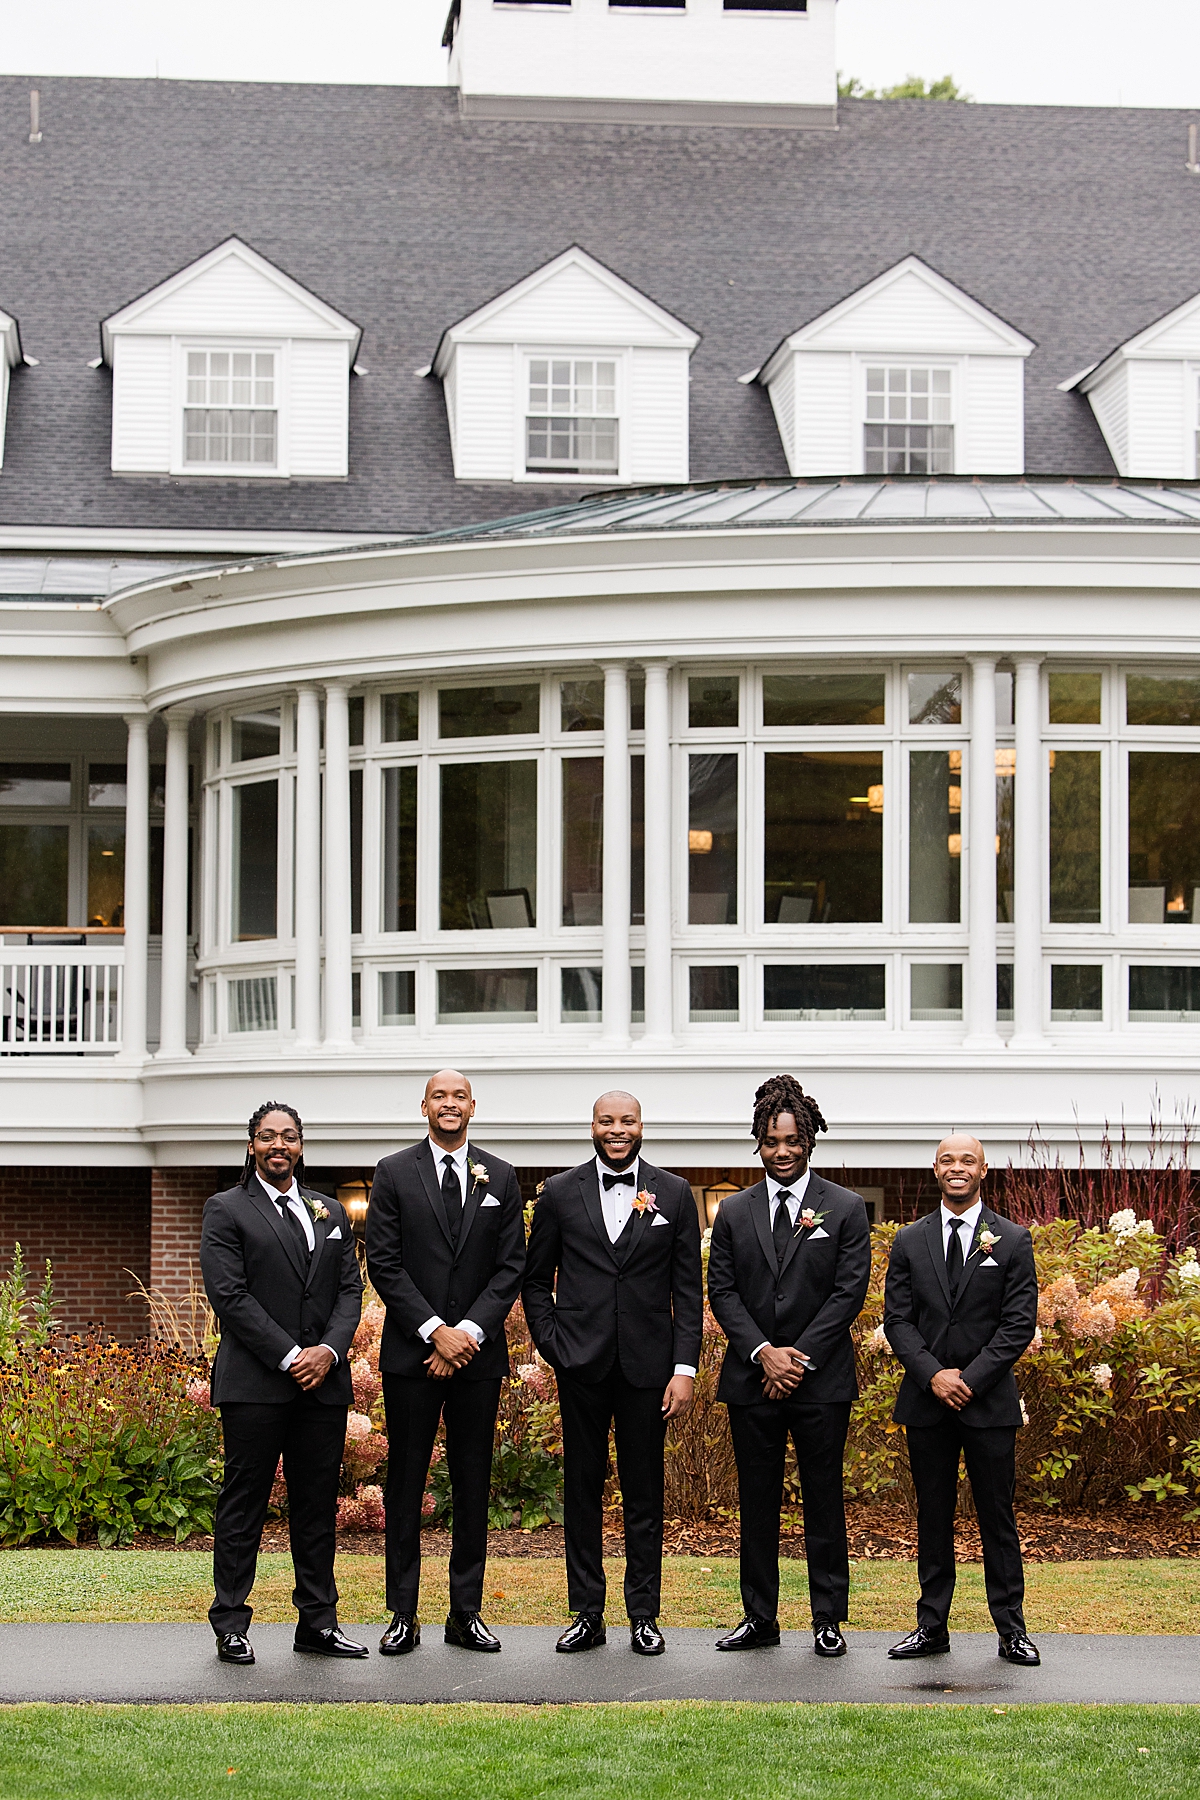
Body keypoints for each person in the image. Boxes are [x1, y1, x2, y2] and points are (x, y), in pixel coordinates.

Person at [522, 1090, 703, 1656]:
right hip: (581, 1365)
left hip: (650, 1370)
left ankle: (644, 1615)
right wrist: (554, 1345)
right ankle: (587, 1612)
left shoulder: (674, 1192)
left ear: (641, 1126)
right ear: (592, 1127)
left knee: (644, 1493)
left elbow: (687, 1291)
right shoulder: (558, 1192)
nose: (617, 1129)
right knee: (582, 1490)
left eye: (627, 1121)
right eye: (607, 1121)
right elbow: (535, 1281)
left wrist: (684, 1368)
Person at [707, 1074, 871, 1657]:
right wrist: (763, 1353)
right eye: (772, 1141)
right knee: (756, 1502)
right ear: (758, 1142)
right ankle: (759, 1617)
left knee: (823, 1499)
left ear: (809, 1141)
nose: (782, 1151)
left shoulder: (846, 1208)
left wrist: (796, 1358)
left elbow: (849, 1292)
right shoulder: (733, 1211)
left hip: (820, 1381)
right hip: (752, 1378)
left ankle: (828, 1618)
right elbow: (722, 1291)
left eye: (792, 1141)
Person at [366, 1069, 525, 1655]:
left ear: (473, 1107)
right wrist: (435, 1332)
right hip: (412, 1357)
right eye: (440, 1096)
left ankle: (465, 1612)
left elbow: (510, 1267)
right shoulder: (392, 1173)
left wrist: (468, 1335)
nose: (449, 1104)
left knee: (472, 1480)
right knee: (405, 1482)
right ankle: (402, 1613)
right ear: (424, 1106)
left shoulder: (501, 1176)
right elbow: (384, 1263)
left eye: (459, 1096)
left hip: (477, 1360)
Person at [200, 1102, 365, 1666]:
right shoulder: (226, 1209)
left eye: (289, 1136)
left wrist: (329, 1351)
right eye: (267, 1136)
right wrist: (293, 1355)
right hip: (256, 1383)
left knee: (316, 1506)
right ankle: (231, 1623)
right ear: (251, 1145)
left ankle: (318, 1622)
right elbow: (230, 1296)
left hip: (324, 1384)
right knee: (244, 1503)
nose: (279, 1145)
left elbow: (349, 1290)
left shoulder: (329, 1210)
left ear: (301, 1145)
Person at [883, 1133, 1041, 1666]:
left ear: (983, 1170)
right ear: (935, 1169)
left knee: (997, 1517)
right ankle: (931, 1627)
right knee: (933, 1516)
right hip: (927, 1402)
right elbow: (898, 1321)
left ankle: (1011, 1630)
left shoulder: (1012, 1240)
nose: (958, 1167)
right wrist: (934, 1376)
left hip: (988, 1403)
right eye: (948, 1160)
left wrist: (967, 1380)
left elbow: (1017, 1325)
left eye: (967, 1160)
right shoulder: (909, 1241)